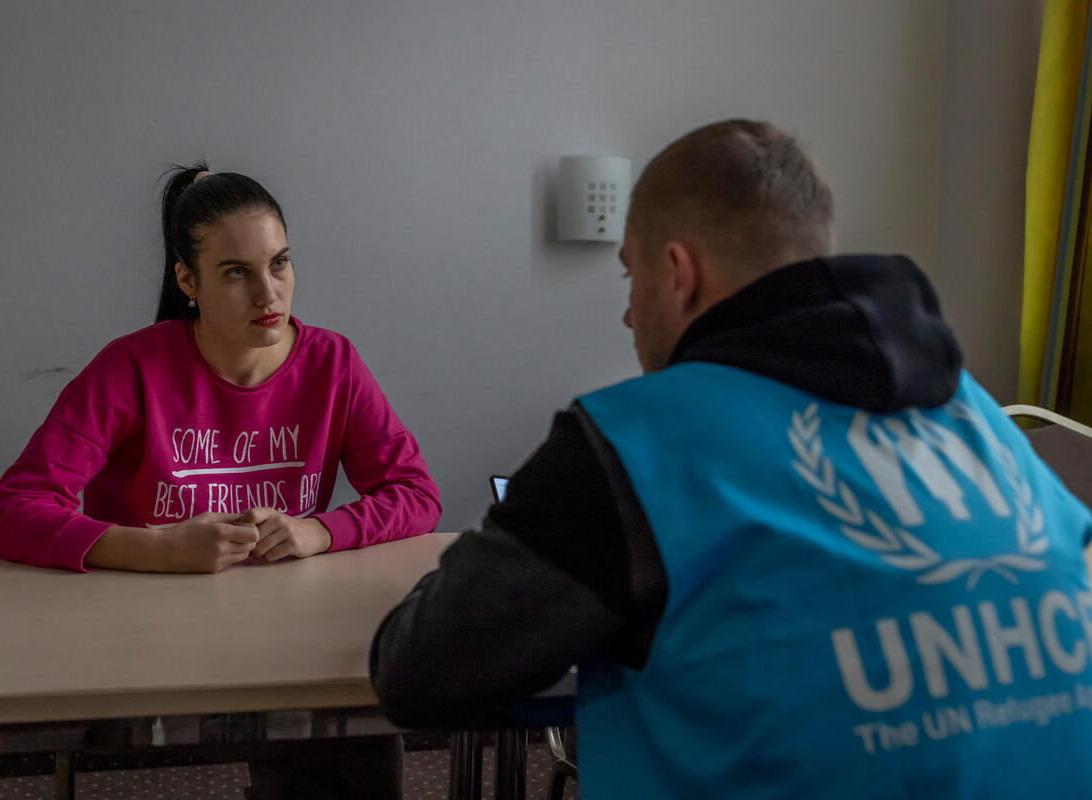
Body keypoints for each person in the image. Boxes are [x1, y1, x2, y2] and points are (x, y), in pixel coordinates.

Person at [369, 120, 1092, 798]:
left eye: (630, 278)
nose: (628, 315)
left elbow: (420, 670)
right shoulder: (978, 418)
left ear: (679, 273)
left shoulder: (634, 443)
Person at [0, 163, 441, 799]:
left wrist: (320, 531)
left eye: (280, 264)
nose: (268, 294)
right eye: (237, 273)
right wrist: (155, 547)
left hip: (284, 637)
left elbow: (415, 493)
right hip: (144, 642)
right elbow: (11, 512)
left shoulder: (332, 362)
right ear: (186, 280)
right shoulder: (131, 367)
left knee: (357, 740)